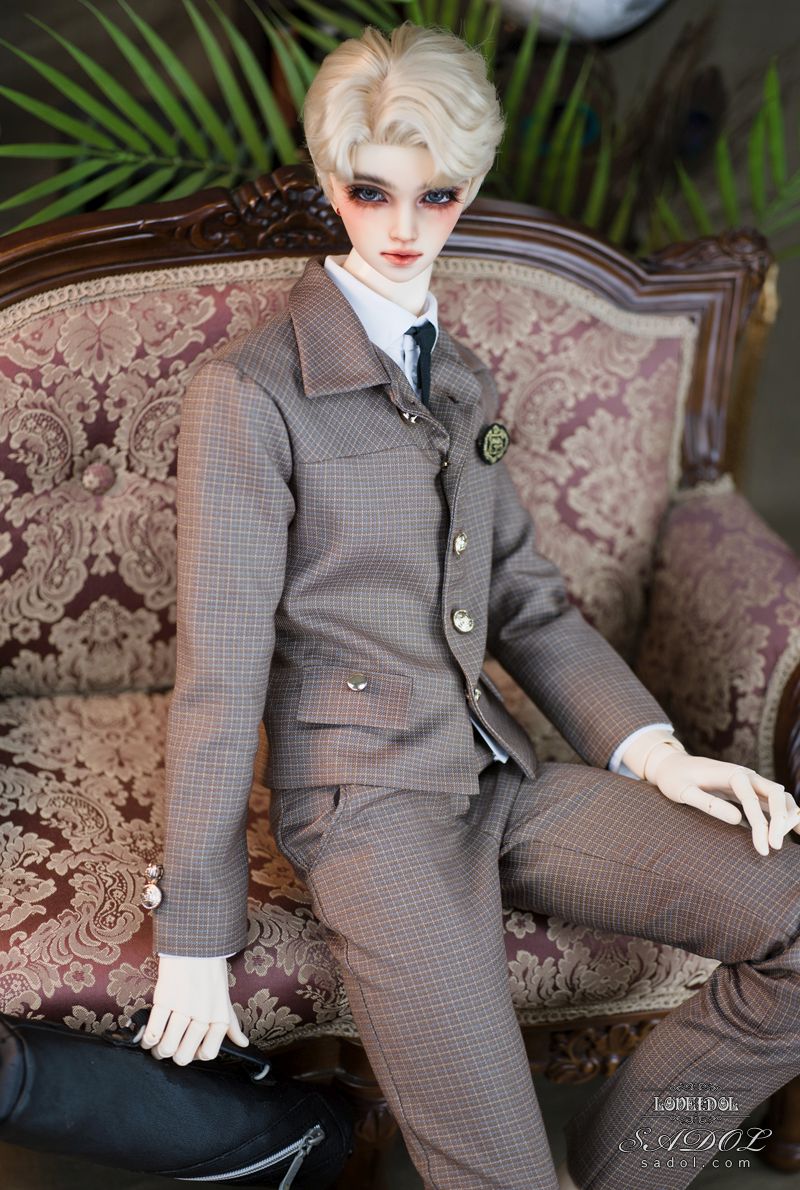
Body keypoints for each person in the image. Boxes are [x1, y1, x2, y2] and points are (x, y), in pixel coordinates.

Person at [139, 21, 800, 1190]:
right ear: (328, 182)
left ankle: (624, 1170)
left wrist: (657, 755)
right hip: (366, 809)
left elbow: (526, 603)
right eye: (370, 191)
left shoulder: (459, 380)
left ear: (469, 187)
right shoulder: (247, 391)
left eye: (436, 194)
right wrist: (196, 928)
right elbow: (221, 669)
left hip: (493, 772)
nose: (403, 226)